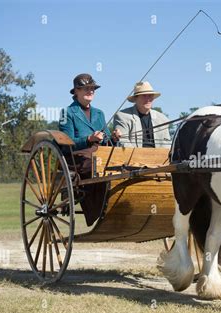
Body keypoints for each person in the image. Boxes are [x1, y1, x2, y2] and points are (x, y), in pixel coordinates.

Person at [59, 73, 119, 226]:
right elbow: (66, 144)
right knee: (98, 166)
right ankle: (96, 211)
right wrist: (88, 139)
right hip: (77, 159)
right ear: (76, 91)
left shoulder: (100, 113)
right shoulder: (67, 113)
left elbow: (105, 141)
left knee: (119, 166)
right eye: (86, 88)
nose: (90, 91)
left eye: (92, 88)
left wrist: (113, 139)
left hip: (99, 155)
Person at [113, 81, 171, 148]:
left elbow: (167, 145)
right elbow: (122, 142)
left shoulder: (162, 119)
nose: (148, 99)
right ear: (136, 98)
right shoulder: (122, 116)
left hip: (159, 157)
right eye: (144, 96)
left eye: (150, 95)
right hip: (133, 157)